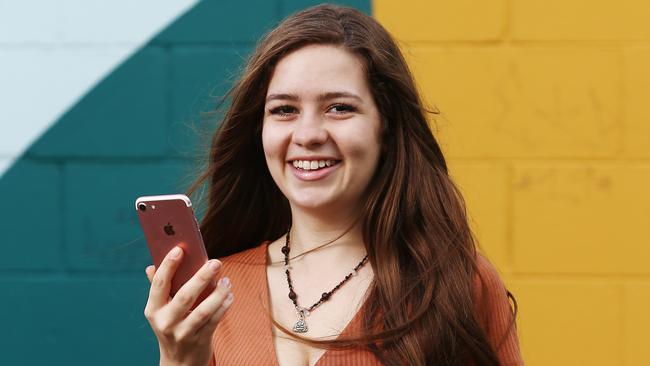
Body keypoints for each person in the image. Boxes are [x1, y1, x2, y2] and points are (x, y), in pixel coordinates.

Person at [143, 4, 523, 366]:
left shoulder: (454, 284)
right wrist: (178, 360)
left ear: (385, 127)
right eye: (284, 110)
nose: (307, 134)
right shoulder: (214, 290)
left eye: (339, 107)